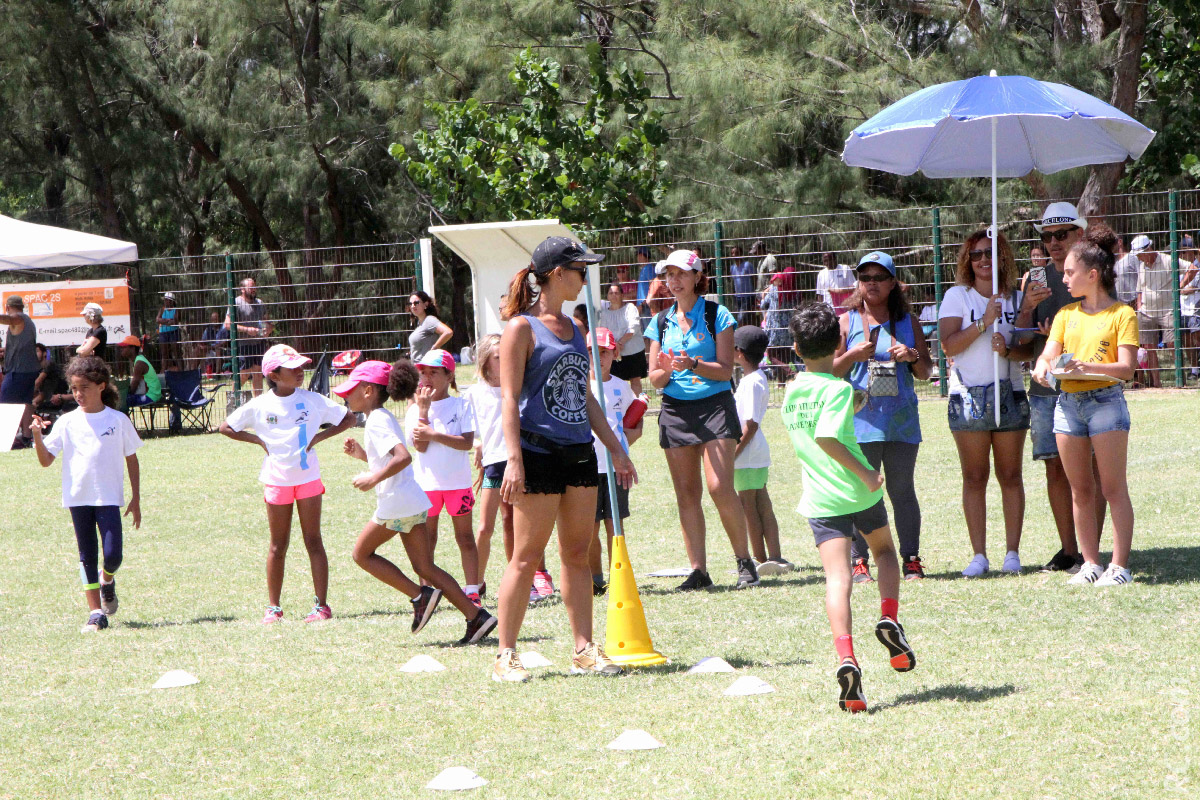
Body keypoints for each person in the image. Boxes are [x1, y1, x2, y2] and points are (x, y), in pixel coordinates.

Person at [492, 235, 636, 683]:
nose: (584, 278)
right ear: (557, 274)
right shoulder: (520, 328)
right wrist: (513, 461)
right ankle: (505, 654)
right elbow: (509, 398)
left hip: (578, 454)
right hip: (536, 453)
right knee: (525, 556)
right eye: (579, 270)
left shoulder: (575, 329)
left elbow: (585, 396)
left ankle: (583, 649)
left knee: (577, 553)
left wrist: (614, 447)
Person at [782, 303, 916, 713]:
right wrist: (867, 474)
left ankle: (846, 658)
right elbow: (827, 438)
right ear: (840, 342)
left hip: (821, 499)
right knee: (886, 553)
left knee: (837, 578)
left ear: (795, 348)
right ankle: (889, 618)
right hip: (858, 493)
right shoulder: (838, 390)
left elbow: (814, 430)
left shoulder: (792, 389)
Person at [335, 359, 497, 642]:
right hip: (412, 499)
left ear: (369, 391)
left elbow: (403, 457)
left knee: (361, 554)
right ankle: (476, 617)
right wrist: (362, 455)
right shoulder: (381, 417)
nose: (347, 395)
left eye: (352, 389)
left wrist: (372, 480)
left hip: (396, 502)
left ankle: (419, 596)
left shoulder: (376, 420)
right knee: (425, 567)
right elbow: (388, 458)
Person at [646, 248, 758, 591]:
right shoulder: (660, 321)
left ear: (697, 277)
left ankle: (745, 563)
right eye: (669, 275)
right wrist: (664, 372)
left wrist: (693, 364)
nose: (673, 280)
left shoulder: (717, 314)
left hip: (714, 407)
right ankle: (699, 571)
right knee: (686, 494)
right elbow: (654, 378)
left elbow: (726, 371)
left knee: (719, 487)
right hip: (675, 411)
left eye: (681, 274)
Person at [1032, 225, 1138, 586]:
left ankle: (1119, 567)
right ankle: (1090, 563)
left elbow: (1126, 369)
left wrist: (1085, 367)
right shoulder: (1065, 315)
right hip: (1067, 405)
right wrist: (1042, 368)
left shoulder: (1122, 314)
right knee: (1080, 490)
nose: (1063, 278)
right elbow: (1048, 354)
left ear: (1092, 275)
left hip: (1106, 402)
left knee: (1112, 488)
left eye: (1069, 272)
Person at [218, 344, 355, 623]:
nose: (300, 372)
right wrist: (256, 440)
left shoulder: (312, 400)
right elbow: (226, 427)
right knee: (277, 546)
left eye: (301, 367)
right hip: (276, 481)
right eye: (292, 369)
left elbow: (348, 417)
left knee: (313, 541)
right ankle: (273, 608)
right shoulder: (260, 405)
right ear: (275, 375)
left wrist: (318, 438)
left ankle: (321, 607)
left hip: (308, 480)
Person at [832, 252, 934, 582]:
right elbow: (830, 372)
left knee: (902, 490)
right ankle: (859, 560)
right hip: (860, 424)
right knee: (861, 490)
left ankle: (912, 559)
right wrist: (852, 354)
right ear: (858, 284)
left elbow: (926, 372)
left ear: (893, 284)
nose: (871, 283)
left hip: (901, 421)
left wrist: (912, 354)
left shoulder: (908, 321)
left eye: (879, 277)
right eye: (865, 278)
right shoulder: (846, 322)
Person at [1013, 202, 1101, 574]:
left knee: (1091, 471)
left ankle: (1091, 552)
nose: (1053, 242)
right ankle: (1069, 550)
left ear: (1079, 234)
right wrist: (1027, 313)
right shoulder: (1033, 281)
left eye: (1061, 234)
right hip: (1047, 390)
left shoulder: (1097, 277)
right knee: (1054, 469)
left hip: (1090, 386)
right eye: (1046, 236)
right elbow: (1018, 345)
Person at [938, 230, 1029, 578]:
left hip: (1009, 392)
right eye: (976, 254)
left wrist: (1007, 349)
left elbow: (1027, 349)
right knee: (974, 477)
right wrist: (982, 323)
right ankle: (979, 554)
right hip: (968, 396)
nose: (982, 260)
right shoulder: (957, 297)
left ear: (1002, 257)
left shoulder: (1017, 298)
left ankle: (1012, 553)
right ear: (967, 260)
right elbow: (948, 346)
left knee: (1010, 475)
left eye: (990, 253)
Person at [31, 356, 142, 633]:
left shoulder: (118, 420)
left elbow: (132, 458)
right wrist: (36, 436)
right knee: (87, 554)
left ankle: (108, 580)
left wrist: (136, 498)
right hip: (77, 497)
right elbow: (46, 461)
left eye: (84, 388)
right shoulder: (67, 422)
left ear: (101, 386)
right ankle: (95, 613)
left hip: (108, 498)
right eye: (74, 388)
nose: (78, 394)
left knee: (113, 554)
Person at [405, 348, 482, 606]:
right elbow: (420, 446)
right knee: (427, 540)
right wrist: (423, 412)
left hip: (457, 484)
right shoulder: (415, 409)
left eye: (434, 372)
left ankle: (472, 589)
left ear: (449, 376)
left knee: (466, 538)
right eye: (423, 373)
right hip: (426, 486)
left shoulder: (461, 405)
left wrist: (435, 434)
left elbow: (466, 443)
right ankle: (427, 592)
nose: (426, 378)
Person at [586, 327, 643, 594]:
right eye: (591, 352)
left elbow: (635, 426)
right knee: (589, 527)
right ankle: (595, 578)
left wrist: (619, 451)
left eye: (604, 352)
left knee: (615, 524)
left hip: (615, 470)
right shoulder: (581, 387)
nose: (598, 357)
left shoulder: (622, 388)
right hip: (585, 467)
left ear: (615, 353)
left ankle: (617, 576)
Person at [732, 325, 790, 575]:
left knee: (749, 507)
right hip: (754, 453)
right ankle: (774, 557)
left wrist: (732, 453)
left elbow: (751, 425)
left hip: (747, 454)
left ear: (740, 353)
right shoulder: (756, 379)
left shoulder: (751, 382)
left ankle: (758, 558)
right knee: (762, 503)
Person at [1132, 235, 1185, 388]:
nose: (1139, 258)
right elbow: (1139, 289)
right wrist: (1139, 306)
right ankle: (1156, 383)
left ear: (1149, 249)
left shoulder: (1168, 260)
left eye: (1140, 254)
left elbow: (1192, 269)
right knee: (1149, 347)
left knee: (1171, 344)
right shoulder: (1142, 266)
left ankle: (1179, 380)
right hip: (1146, 312)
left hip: (1168, 310)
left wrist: (1179, 287)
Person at [0, 295, 41, 442]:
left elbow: (10, 319)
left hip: (18, 371)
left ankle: (5, 438)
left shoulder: (18, 317)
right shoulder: (28, 321)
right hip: (28, 370)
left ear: (7, 307)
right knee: (26, 403)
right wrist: (6, 350)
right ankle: (26, 437)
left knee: (5, 404)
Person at [224, 278, 273, 397]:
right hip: (243, 344)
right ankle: (233, 398)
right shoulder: (235, 302)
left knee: (258, 373)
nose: (253, 289)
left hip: (259, 343)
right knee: (244, 374)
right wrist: (247, 330)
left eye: (254, 287)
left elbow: (267, 321)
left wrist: (268, 329)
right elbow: (227, 324)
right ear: (242, 289)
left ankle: (258, 402)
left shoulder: (260, 303)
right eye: (250, 287)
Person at [599, 282, 647, 397]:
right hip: (614, 354)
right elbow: (604, 331)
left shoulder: (630, 308)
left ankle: (638, 412)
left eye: (616, 293)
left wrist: (620, 344)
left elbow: (633, 328)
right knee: (614, 381)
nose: (613, 295)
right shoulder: (604, 313)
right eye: (611, 293)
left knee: (635, 381)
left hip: (633, 351)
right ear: (607, 296)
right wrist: (614, 348)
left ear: (622, 295)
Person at [760, 271, 794, 382]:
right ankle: (781, 383)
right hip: (786, 330)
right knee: (784, 356)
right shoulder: (791, 291)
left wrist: (763, 296)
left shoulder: (773, 290)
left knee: (771, 356)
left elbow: (763, 305)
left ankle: (788, 370)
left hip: (773, 329)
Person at [407, 290, 453, 362]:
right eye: (410, 304)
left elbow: (448, 332)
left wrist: (434, 348)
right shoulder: (420, 323)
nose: (413, 306)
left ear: (426, 304)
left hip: (425, 367)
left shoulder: (429, 320)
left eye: (416, 303)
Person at [117, 335, 162, 408]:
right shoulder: (139, 359)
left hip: (151, 396)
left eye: (124, 347)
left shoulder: (139, 363)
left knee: (122, 401)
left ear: (133, 348)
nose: (122, 349)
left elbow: (135, 383)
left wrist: (127, 394)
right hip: (152, 394)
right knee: (122, 400)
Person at [32, 344, 73, 415]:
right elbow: (42, 393)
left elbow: (37, 383)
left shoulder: (49, 365)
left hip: (61, 401)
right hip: (49, 401)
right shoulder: (37, 370)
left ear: (44, 353)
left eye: (36, 351)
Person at [728, 245, 757, 325]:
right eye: (732, 253)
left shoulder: (747, 265)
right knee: (741, 317)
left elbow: (754, 278)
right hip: (738, 297)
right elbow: (733, 282)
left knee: (741, 318)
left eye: (736, 253)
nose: (734, 255)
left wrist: (754, 293)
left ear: (741, 254)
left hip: (747, 297)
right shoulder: (732, 268)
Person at [156, 291, 184, 372]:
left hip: (174, 333)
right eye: (165, 300)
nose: (165, 301)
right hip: (163, 333)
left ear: (172, 301)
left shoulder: (176, 310)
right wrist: (167, 321)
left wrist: (163, 321)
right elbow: (157, 319)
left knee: (177, 353)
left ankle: (181, 371)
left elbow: (175, 322)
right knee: (164, 354)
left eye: (167, 300)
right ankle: (163, 372)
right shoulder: (162, 309)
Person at [199, 311, 227, 376]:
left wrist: (216, 346)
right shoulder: (208, 329)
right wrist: (200, 345)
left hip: (222, 349)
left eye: (216, 319)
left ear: (219, 319)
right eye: (213, 319)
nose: (215, 321)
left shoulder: (223, 328)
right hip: (210, 349)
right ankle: (199, 373)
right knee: (197, 350)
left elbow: (226, 341)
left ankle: (217, 374)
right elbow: (202, 341)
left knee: (218, 350)